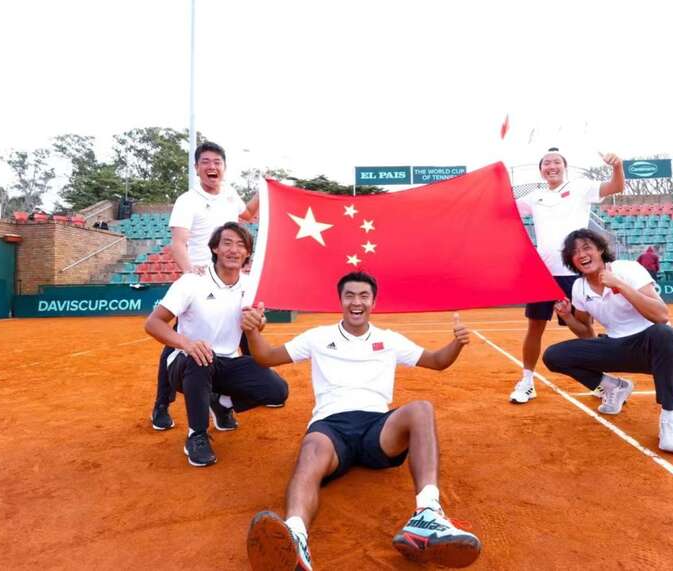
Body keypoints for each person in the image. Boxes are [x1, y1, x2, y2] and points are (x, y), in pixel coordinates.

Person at [243, 271, 482, 570]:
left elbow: (436, 361)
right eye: (350, 295)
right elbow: (266, 357)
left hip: (377, 430)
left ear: (373, 302)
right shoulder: (317, 337)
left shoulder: (389, 339)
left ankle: (428, 515)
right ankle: (295, 538)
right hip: (331, 426)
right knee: (312, 447)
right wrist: (252, 333)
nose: (357, 302)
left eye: (363, 296)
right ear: (340, 300)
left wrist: (457, 344)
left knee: (421, 408)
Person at [144, 222, 288, 466]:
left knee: (277, 391)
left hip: (226, 363)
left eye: (241, 245)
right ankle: (197, 435)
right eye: (227, 243)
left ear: (247, 253)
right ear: (215, 249)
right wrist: (187, 344)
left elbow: (256, 322)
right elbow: (153, 323)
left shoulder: (250, 284)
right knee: (201, 356)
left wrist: (258, 322)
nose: (234, 250)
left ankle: (222, 402)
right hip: (186, 363)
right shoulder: (192, 282)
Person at [542, 228, 673, 454]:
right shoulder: (579, 287)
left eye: (586, 248)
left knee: (665, 333)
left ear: (600, 250)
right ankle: (615, 387)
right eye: (575, 252)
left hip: (650, 347)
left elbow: (661, 315)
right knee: (554, 355)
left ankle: (669, 421)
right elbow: (586, 333)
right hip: (615, 346)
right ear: (571, 260)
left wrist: (619, 285)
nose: (581, 254)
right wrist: (568, 317)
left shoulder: (627, 269)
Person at [150, 141, 261, 431]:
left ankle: (227, 397)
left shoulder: (230, 194)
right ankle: (162, 404)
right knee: (179, 340)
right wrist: (190, 272)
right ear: (197, 168)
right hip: (200, 279)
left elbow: (247, 216)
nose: (212, 167)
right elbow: (178, 242)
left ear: (224, 168)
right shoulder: (188, 200)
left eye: (217, 162)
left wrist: (263, 192)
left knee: (242, 327)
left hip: (229, 275)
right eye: (206, 162)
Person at [509, 147, 625, 404]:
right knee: (534, 327)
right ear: (541, 170)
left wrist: (617, 166)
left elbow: (616, 187)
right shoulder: (534, 196)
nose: (552, 166)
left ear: (564, 167)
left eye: (556, 162)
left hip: (575, 273)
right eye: (547, 163)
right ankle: (527, 382)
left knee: (584, 328)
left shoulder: (582, 187)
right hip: (542, 274)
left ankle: (602, 383)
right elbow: (503, 208)